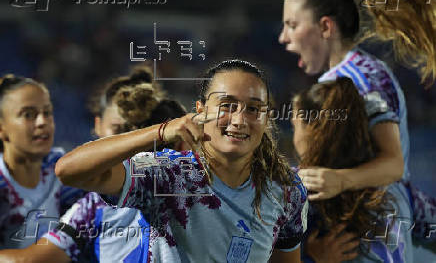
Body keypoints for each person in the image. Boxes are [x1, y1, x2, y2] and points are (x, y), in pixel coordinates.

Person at [55, 59, 308, 263]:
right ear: (200, 110)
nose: (240, 120)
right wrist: (161, 131)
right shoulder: (167, 174)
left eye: (253, 109)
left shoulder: (286, 189)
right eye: (227, 105)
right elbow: (69, 170)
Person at [278, 0, 435, 243]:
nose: (283, 37)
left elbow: (394, 164)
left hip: (371, 223)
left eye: (292, 25)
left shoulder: (359, 81)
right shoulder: (356, 72)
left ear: (325, 28)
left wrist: (339, 180)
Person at [0, 65, 186, 262]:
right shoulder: (91, 202)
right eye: (119, 130)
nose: (127, 143)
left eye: (47, 112)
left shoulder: (187, 185)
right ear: (97, 125)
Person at [292, 77, 415, 262]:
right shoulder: (387, 198)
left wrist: (309, 258)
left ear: (314, 131)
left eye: (295, 127)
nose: (294, 138)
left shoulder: (295, 194)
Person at [0, 75, 84, 249]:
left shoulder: (60, 169)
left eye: (47, 113)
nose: (42, 122)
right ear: (1, 128)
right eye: (28, 114)